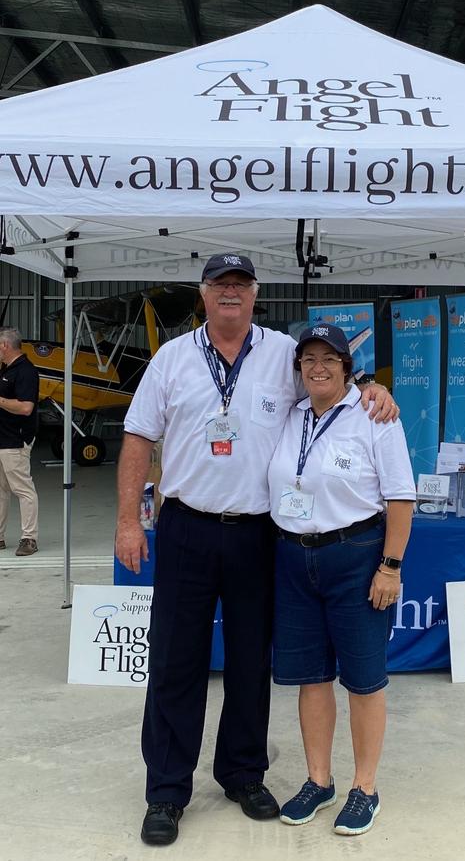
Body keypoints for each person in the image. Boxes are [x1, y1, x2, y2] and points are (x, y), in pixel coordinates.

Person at [114, 253, 398, 847]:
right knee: (174, 661)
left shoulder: (279, 354)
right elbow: (138, 437)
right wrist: (127, 521)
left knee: (250, 660)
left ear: (255, 294)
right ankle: (166, 789)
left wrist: (374, 390)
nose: (231, 294)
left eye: (241, 285)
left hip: (257, 533)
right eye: (221, 285)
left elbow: (332, 383)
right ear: (203, 294)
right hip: (187, 525)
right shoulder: (171, 358)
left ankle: (243, 773)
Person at [268, 323, 415, 836]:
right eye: (308, 359)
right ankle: (319, 780)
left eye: (329, 358)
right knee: (311, 677)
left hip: (356, 557)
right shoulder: (290, 415)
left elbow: (400, 498)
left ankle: (365, 788)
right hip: (292, 559)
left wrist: (389, 567)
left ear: (348, 369)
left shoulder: (375, 415)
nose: (318, 367)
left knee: (363, 679)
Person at [0, 327, 39, 557]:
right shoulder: (7, 369)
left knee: (23, 489)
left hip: (15, 439)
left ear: (5, 346)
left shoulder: (25, 371)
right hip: (2, 439)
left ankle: (29, 538)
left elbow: (26, 407)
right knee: (1, 490)